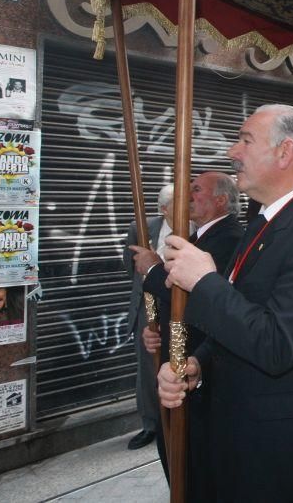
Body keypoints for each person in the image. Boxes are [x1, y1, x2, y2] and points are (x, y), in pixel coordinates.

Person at [156, 104, 293, 501]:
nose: (233, 151)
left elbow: (276, 343)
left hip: (291, 460)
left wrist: (204, 281)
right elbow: (245, 313)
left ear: (284, 152)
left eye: (245, 140)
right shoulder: (264, 223)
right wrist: (200, 362)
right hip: (246, 447)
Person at [130, 171, 243, 498]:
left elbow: (195, 298)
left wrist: (152, 269)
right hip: (176, 358)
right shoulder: (196, 238)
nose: (187, 195)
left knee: (194, 460)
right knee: (176, 452)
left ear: (220, 199)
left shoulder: (227, 239)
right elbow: (171, 303)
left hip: (198, 365)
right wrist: (156, 331)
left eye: (196, 190)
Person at [120, 183, 174, 452]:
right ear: (164, 208)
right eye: (176, 204)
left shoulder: (194, 227)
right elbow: (129, 266)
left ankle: (175, 418)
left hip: (178, 304)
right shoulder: (142, 227)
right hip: (149, 304)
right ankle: (150, 424)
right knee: (147, 365)